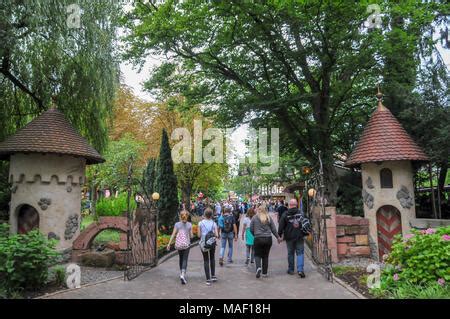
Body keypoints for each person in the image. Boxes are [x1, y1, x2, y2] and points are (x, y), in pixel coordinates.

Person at [250, 204, 281, 278]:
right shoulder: (268, 217)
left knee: (257, 254)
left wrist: (255, 234)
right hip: (268, 239)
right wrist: (278, 237)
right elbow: (273, 229)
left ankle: (258, 268)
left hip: (258, 238)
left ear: (258, 210)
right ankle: (264, 273)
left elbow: (251, 229)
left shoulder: (254, 218)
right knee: (265, 256)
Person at [278, 198, 306, 278]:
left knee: (290, 253)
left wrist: (279, 235)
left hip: (289, 237)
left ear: (290, 205)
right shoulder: (301, 213)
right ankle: (300, 270)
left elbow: (281, 225)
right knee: (300, 253)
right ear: (296, 205)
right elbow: (306, 222)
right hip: (299, 236)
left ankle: (291, 270)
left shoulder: (285, 214)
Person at [167, 210, 193, 284]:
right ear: (187, 216)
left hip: (179, 244)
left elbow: (173, 234)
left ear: (180, 216)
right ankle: (182, 274)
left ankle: (181, 273)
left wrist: (169, 244)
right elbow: (191, 236)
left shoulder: (177, 224)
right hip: (186, 244)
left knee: (181, 258)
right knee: (185, 259)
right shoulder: (189, 225)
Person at [197, 208, 219, 285]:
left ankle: (208, 279)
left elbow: (199, 235)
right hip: (212, 243)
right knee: (212, 258)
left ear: (204, 214)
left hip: (204, 243)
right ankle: (213, 275)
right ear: (211, 215)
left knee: (206, 259)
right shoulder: (214, 223)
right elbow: (217, 235)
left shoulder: (200, 223)